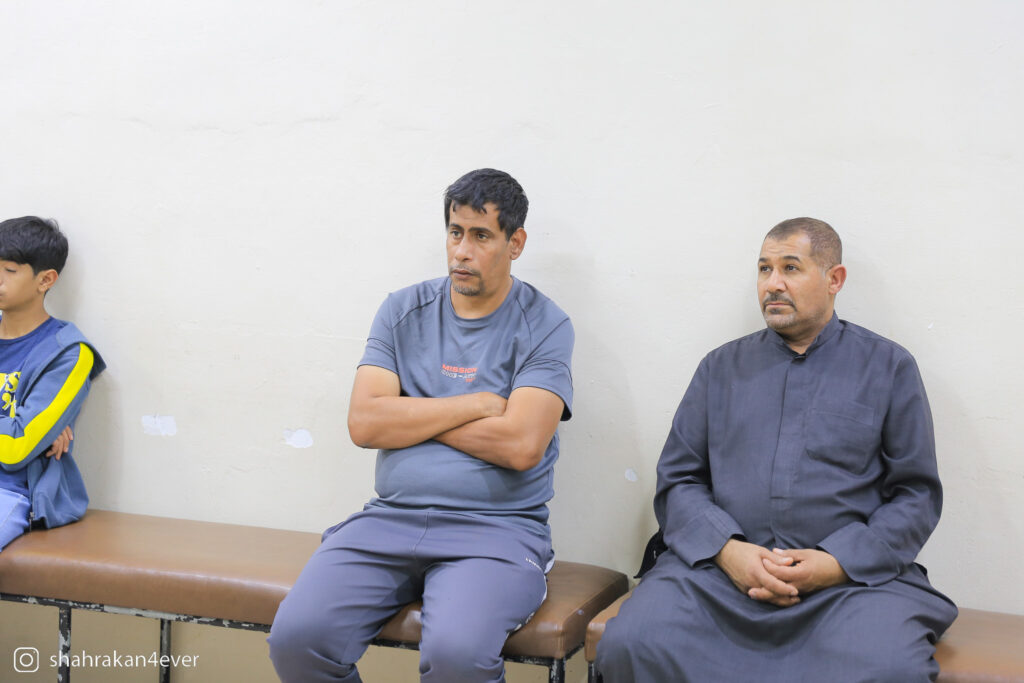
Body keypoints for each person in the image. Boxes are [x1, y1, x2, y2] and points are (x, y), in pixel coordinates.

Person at [596, 218, 957, 682]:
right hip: (717, 580)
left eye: (790, 267)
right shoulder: (720, 368)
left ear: (834, 279)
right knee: (634, 642)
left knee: (889, 667)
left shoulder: (888, 367)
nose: (773, 284)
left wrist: (836, 563)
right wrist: (729, 552)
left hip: (849, 588)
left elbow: (916, 495)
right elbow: (679, 481)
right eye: (764, 269)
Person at [268, 169, 574, 683]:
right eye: (455, 232)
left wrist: (409, 410)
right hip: (389, 521)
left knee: (457, 656)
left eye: (481, 236)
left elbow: (521, 445)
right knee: (297, 639)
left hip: (494, 533)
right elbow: (365, 423)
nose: (462, 251)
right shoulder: (402, 310)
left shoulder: (545, 324)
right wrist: (476, 405)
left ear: (515, 243)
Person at [0, 216, 105, 551]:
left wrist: (28, 434)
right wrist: (25, 427)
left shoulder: (69, 353)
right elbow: (18, 435)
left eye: (9, 270)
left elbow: (16, 449)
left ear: (45, 279)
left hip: (11, 491)